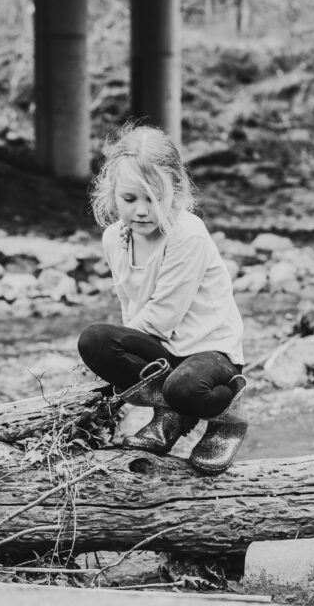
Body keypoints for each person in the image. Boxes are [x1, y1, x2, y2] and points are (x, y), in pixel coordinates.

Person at [78, 123, 248, 475]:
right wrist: (112, 358)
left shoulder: (187, 235)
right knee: (94, 340)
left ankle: (228, 419)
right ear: (112, 194)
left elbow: (162, 316)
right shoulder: (115, 238)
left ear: (176, 190)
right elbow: (131, 305)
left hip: (210, 353)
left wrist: (129, 362)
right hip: (165, 350)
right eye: (129, 199)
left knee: (185, 387)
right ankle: (169, 413)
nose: (141, 210)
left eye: (153, 199)